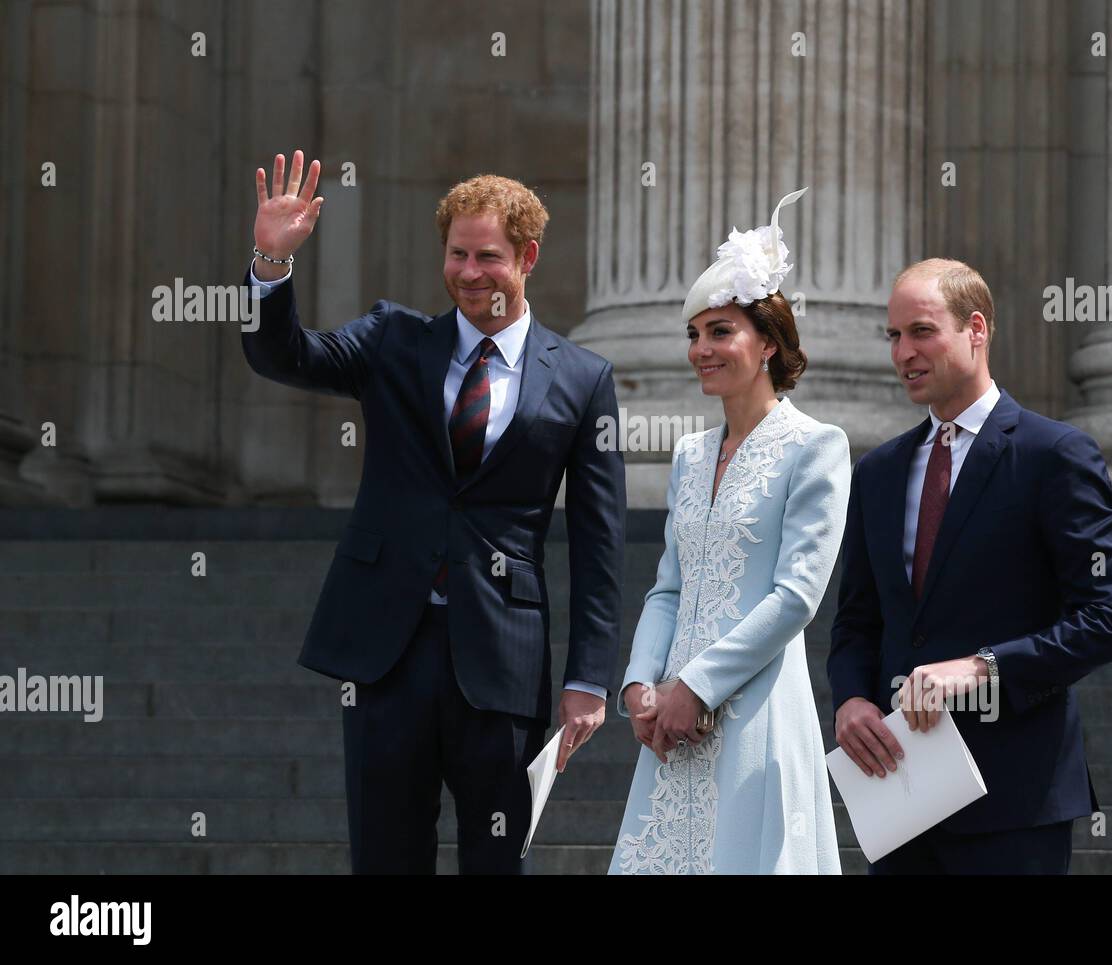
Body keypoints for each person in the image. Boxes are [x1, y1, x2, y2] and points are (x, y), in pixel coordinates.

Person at [241, 152, 626, 873]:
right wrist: (270, 263)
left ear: (527, 257)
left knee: (493, 863)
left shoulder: (581, 379)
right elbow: (283, 355)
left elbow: (600, 545)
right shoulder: (393, 339)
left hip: (502, 662)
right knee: (385, 859)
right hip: (386, 653)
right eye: (457, 255)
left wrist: (589, 678)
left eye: (488, 256)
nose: (470, 273)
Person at [828, 258, 1112, 874]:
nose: (903, 353)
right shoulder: (877, 473)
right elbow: (857, 622)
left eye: (921, 331)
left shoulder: (1054, 455)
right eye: (893, 336)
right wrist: (850, 701)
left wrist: (982, 668)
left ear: (976, 329)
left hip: (1015, 800)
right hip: (900, 796)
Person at [610, 189, 849, 874]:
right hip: (671, 726)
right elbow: (668, 588)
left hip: (759, 715)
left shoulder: (817, 445)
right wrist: (640, 687)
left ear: (768, 341)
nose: (700, 349)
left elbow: (797, 596)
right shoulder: (688, 453)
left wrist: (697, 685)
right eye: (694, 333)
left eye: (720, 331)